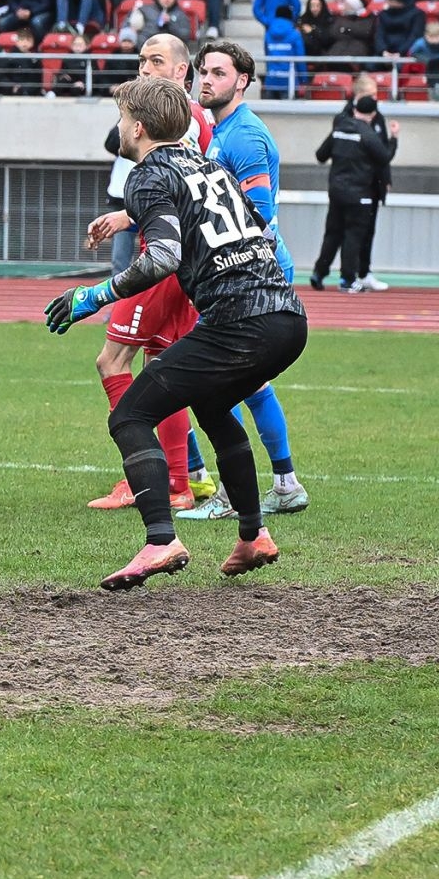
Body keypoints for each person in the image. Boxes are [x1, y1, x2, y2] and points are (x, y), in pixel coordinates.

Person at [45, 74, 308, 591]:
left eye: (122, 118)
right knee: (211, 406)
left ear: (138, 128)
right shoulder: (208, 164)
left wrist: (94, 295)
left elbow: (164, 256)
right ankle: (253, 535)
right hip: (287, 318)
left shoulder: (146, 175)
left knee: (130, 415)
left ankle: (161, 540)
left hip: (239, 321)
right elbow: (255, 225)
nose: (119, 126)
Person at [181, 42, 310, 518]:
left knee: (215, 383)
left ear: (243, 81)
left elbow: (261, 214)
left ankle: (233, 493)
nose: (206, 79)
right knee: (249, 384)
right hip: (242, 275)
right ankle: (285, 484)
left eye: (218, 72)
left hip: (249, 278)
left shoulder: (244, 137)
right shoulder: (222, 131)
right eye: (203, 71)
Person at [86, 34, 212, 515]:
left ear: (181, 71)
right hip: (178, 258)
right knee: (161, 369)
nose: (144, 68)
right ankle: (178, 481)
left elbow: (176, 190)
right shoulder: (190, 118)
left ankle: (140, 476)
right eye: (141, 60)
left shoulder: (182, 120)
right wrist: (127, 216)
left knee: (111, 361)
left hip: (161, 263)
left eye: (155, 61)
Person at [312, 93, 398, 293]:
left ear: (355, 109)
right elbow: (384, 157)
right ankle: (347, 279)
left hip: (336, 191)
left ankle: (319, 272)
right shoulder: (368, 134)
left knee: (332, 233)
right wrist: (394, 138)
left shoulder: (339, 129)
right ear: (373, 114)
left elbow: (320, 155)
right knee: (353, 235)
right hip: (360, 193)